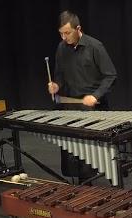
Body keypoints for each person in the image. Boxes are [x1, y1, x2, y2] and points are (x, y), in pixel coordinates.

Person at [47, 10, 118, 183]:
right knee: (76, 156)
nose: (64, 37)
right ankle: (84, 188)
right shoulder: (61, 48)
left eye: (67, 33)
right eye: (61, 33)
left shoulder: (95, 47)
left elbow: (111, 75)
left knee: (101, 155)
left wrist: (96, 95)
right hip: (72, 108)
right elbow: (60, 76)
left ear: (78, 28)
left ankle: (114, 185)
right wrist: (56, 85)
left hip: (95, 108)